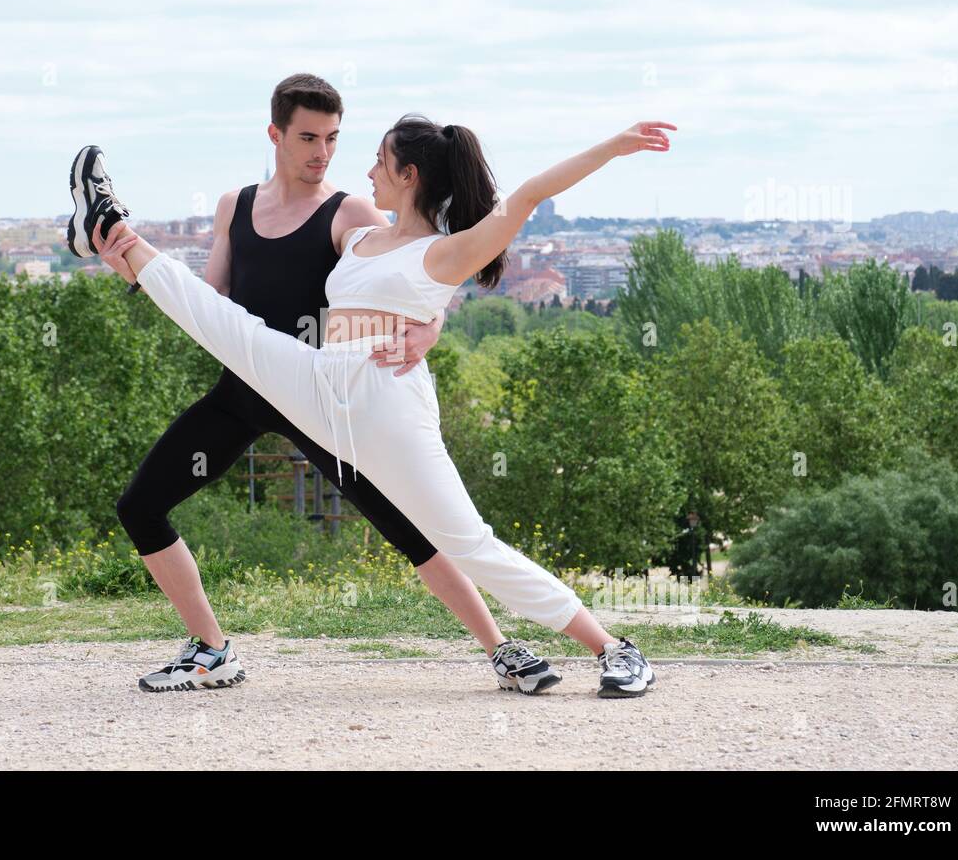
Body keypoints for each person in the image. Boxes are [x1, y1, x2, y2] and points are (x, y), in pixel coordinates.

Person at [74, 106, 675, 698]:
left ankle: (613, 649)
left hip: (385, 397)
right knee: (228, 329)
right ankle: (111, 229)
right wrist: (430, 322)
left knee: (467, 542)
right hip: (320, 374)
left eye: (379, 161)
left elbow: (524, 199)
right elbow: (259, 287)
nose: (366, 171)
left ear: (409, 174)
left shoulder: (446, 249)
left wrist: (612, 147)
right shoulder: (362, 236)